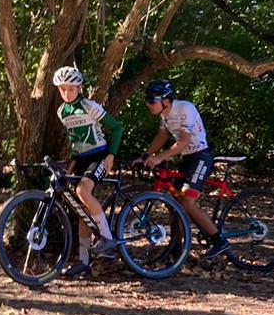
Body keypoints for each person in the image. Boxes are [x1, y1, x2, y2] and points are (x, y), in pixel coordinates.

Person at [138, 79, 229, 261]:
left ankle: (219, 240)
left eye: (151, 100)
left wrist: (159, 157)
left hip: (200, 156)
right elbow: (162, 135)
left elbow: (184, 141)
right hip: (187, 158)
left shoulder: (185, 108)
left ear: (165, 100)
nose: (148, 104)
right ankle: (177, 247)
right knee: (176, 204)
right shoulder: (165, 114)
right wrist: (146, 155)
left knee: (187, 201)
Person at [52, 66, 123, 277]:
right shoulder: (61, 112)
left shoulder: (89, 106)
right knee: (82, 210)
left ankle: (107, 238)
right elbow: (76, 142)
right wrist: (71, 164)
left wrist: (111, 154)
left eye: (70, 89)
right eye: (62, 89)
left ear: (79, 88)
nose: (66, 93)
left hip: (99, 156)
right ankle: (84, 261)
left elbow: (116, 127)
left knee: (83, 191)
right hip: (82, 159)